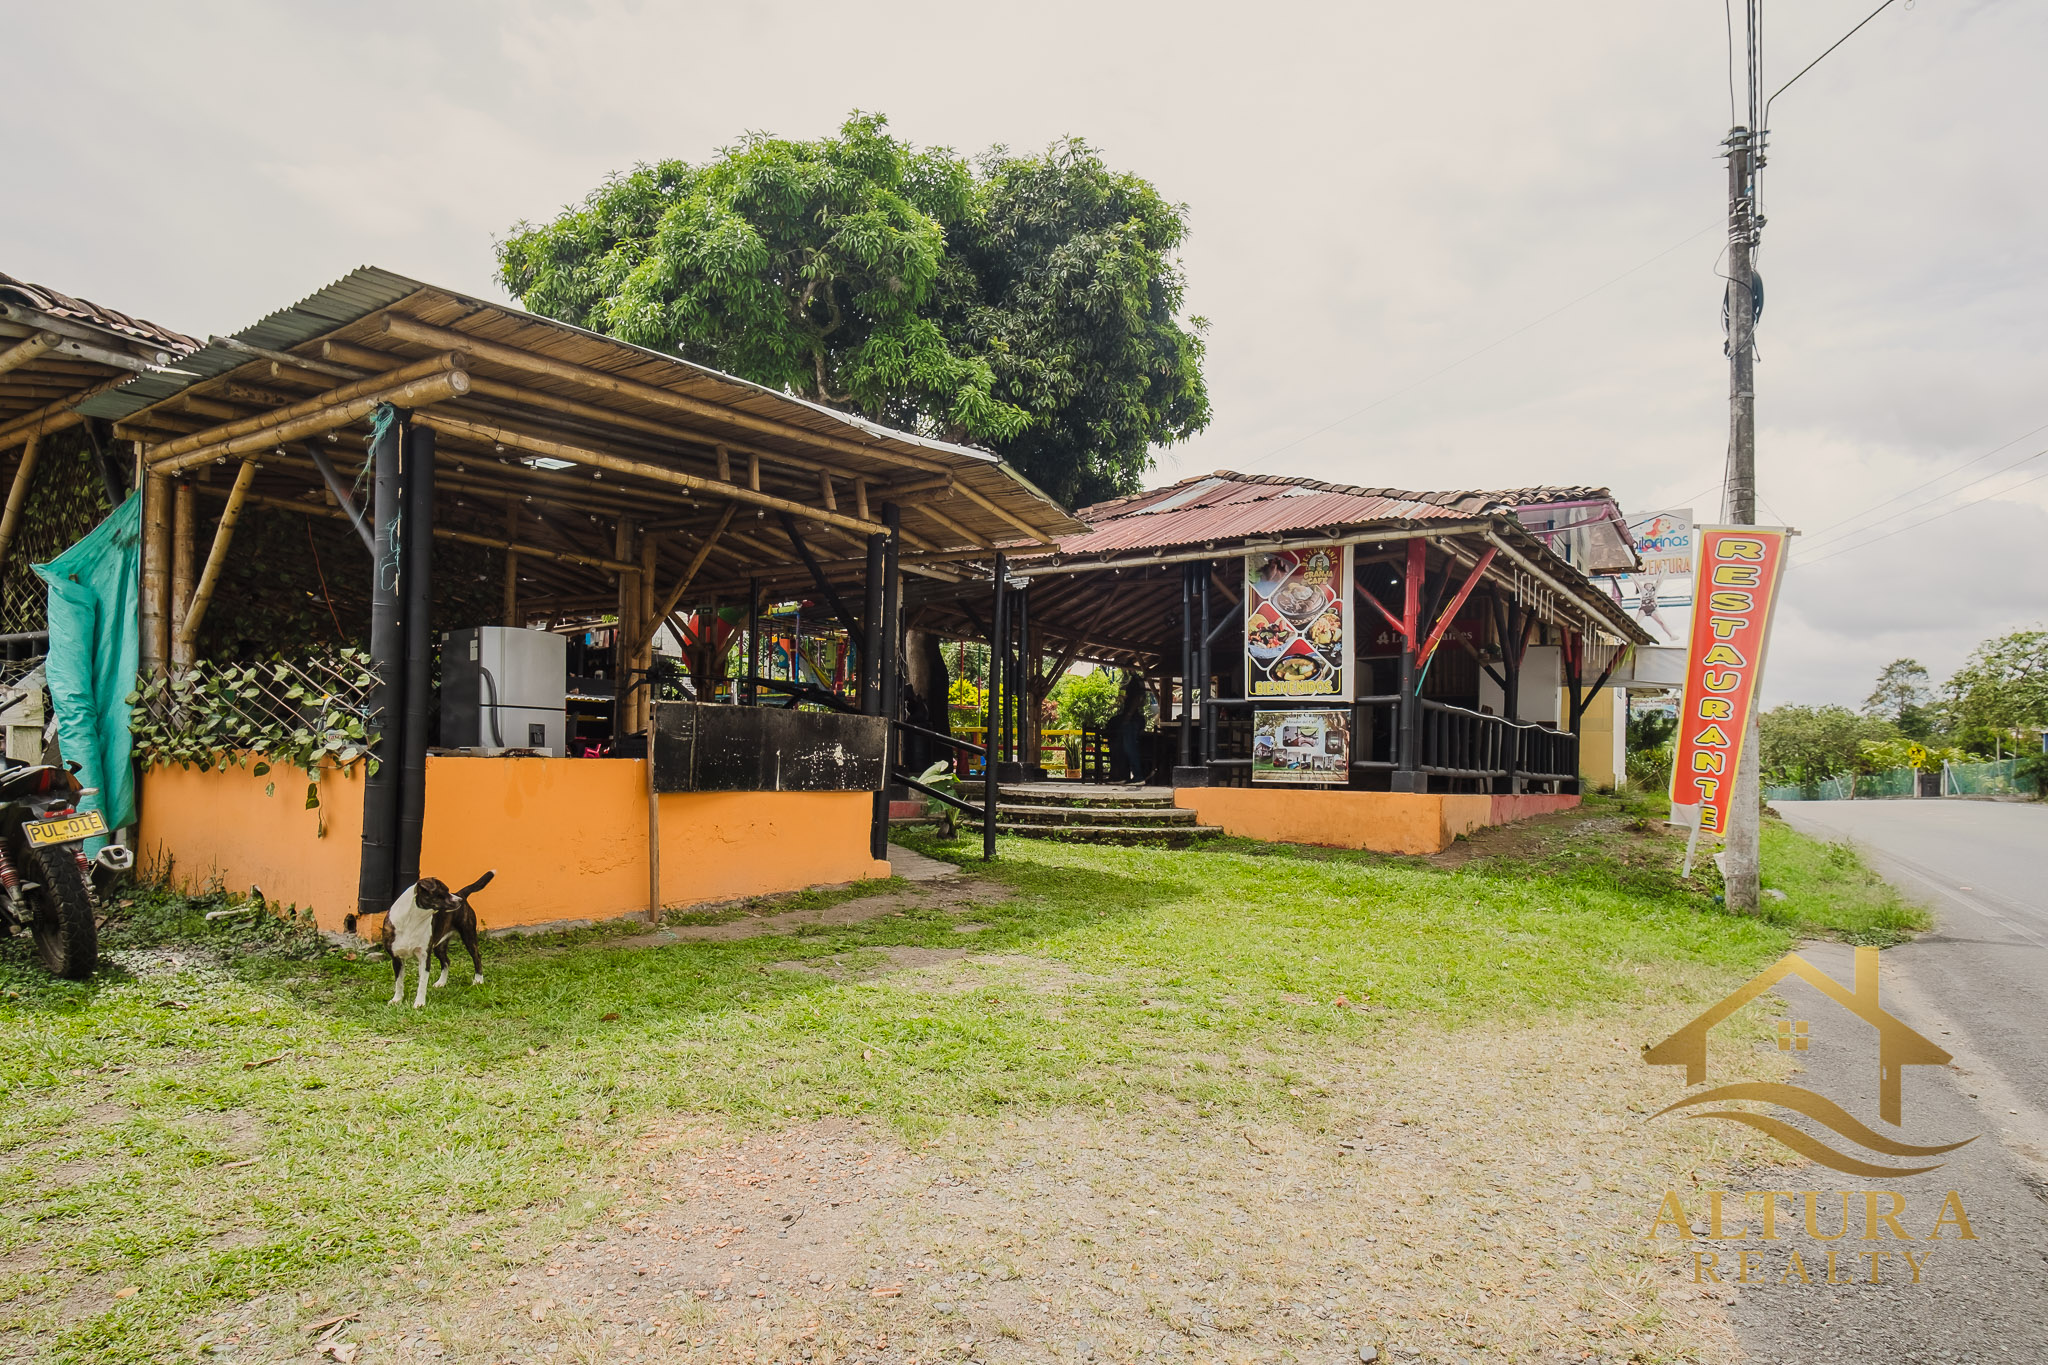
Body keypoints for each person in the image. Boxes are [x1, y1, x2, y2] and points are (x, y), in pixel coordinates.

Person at [1111, 670, 1149, 786]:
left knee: (1129, 747)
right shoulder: (1135, 681)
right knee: (1123, 747)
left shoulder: (1135, 682)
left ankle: (1138, 775)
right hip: (1131, 718)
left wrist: (1128, 715)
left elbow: (1137, 699)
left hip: (1132, 719)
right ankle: (1122, 775)